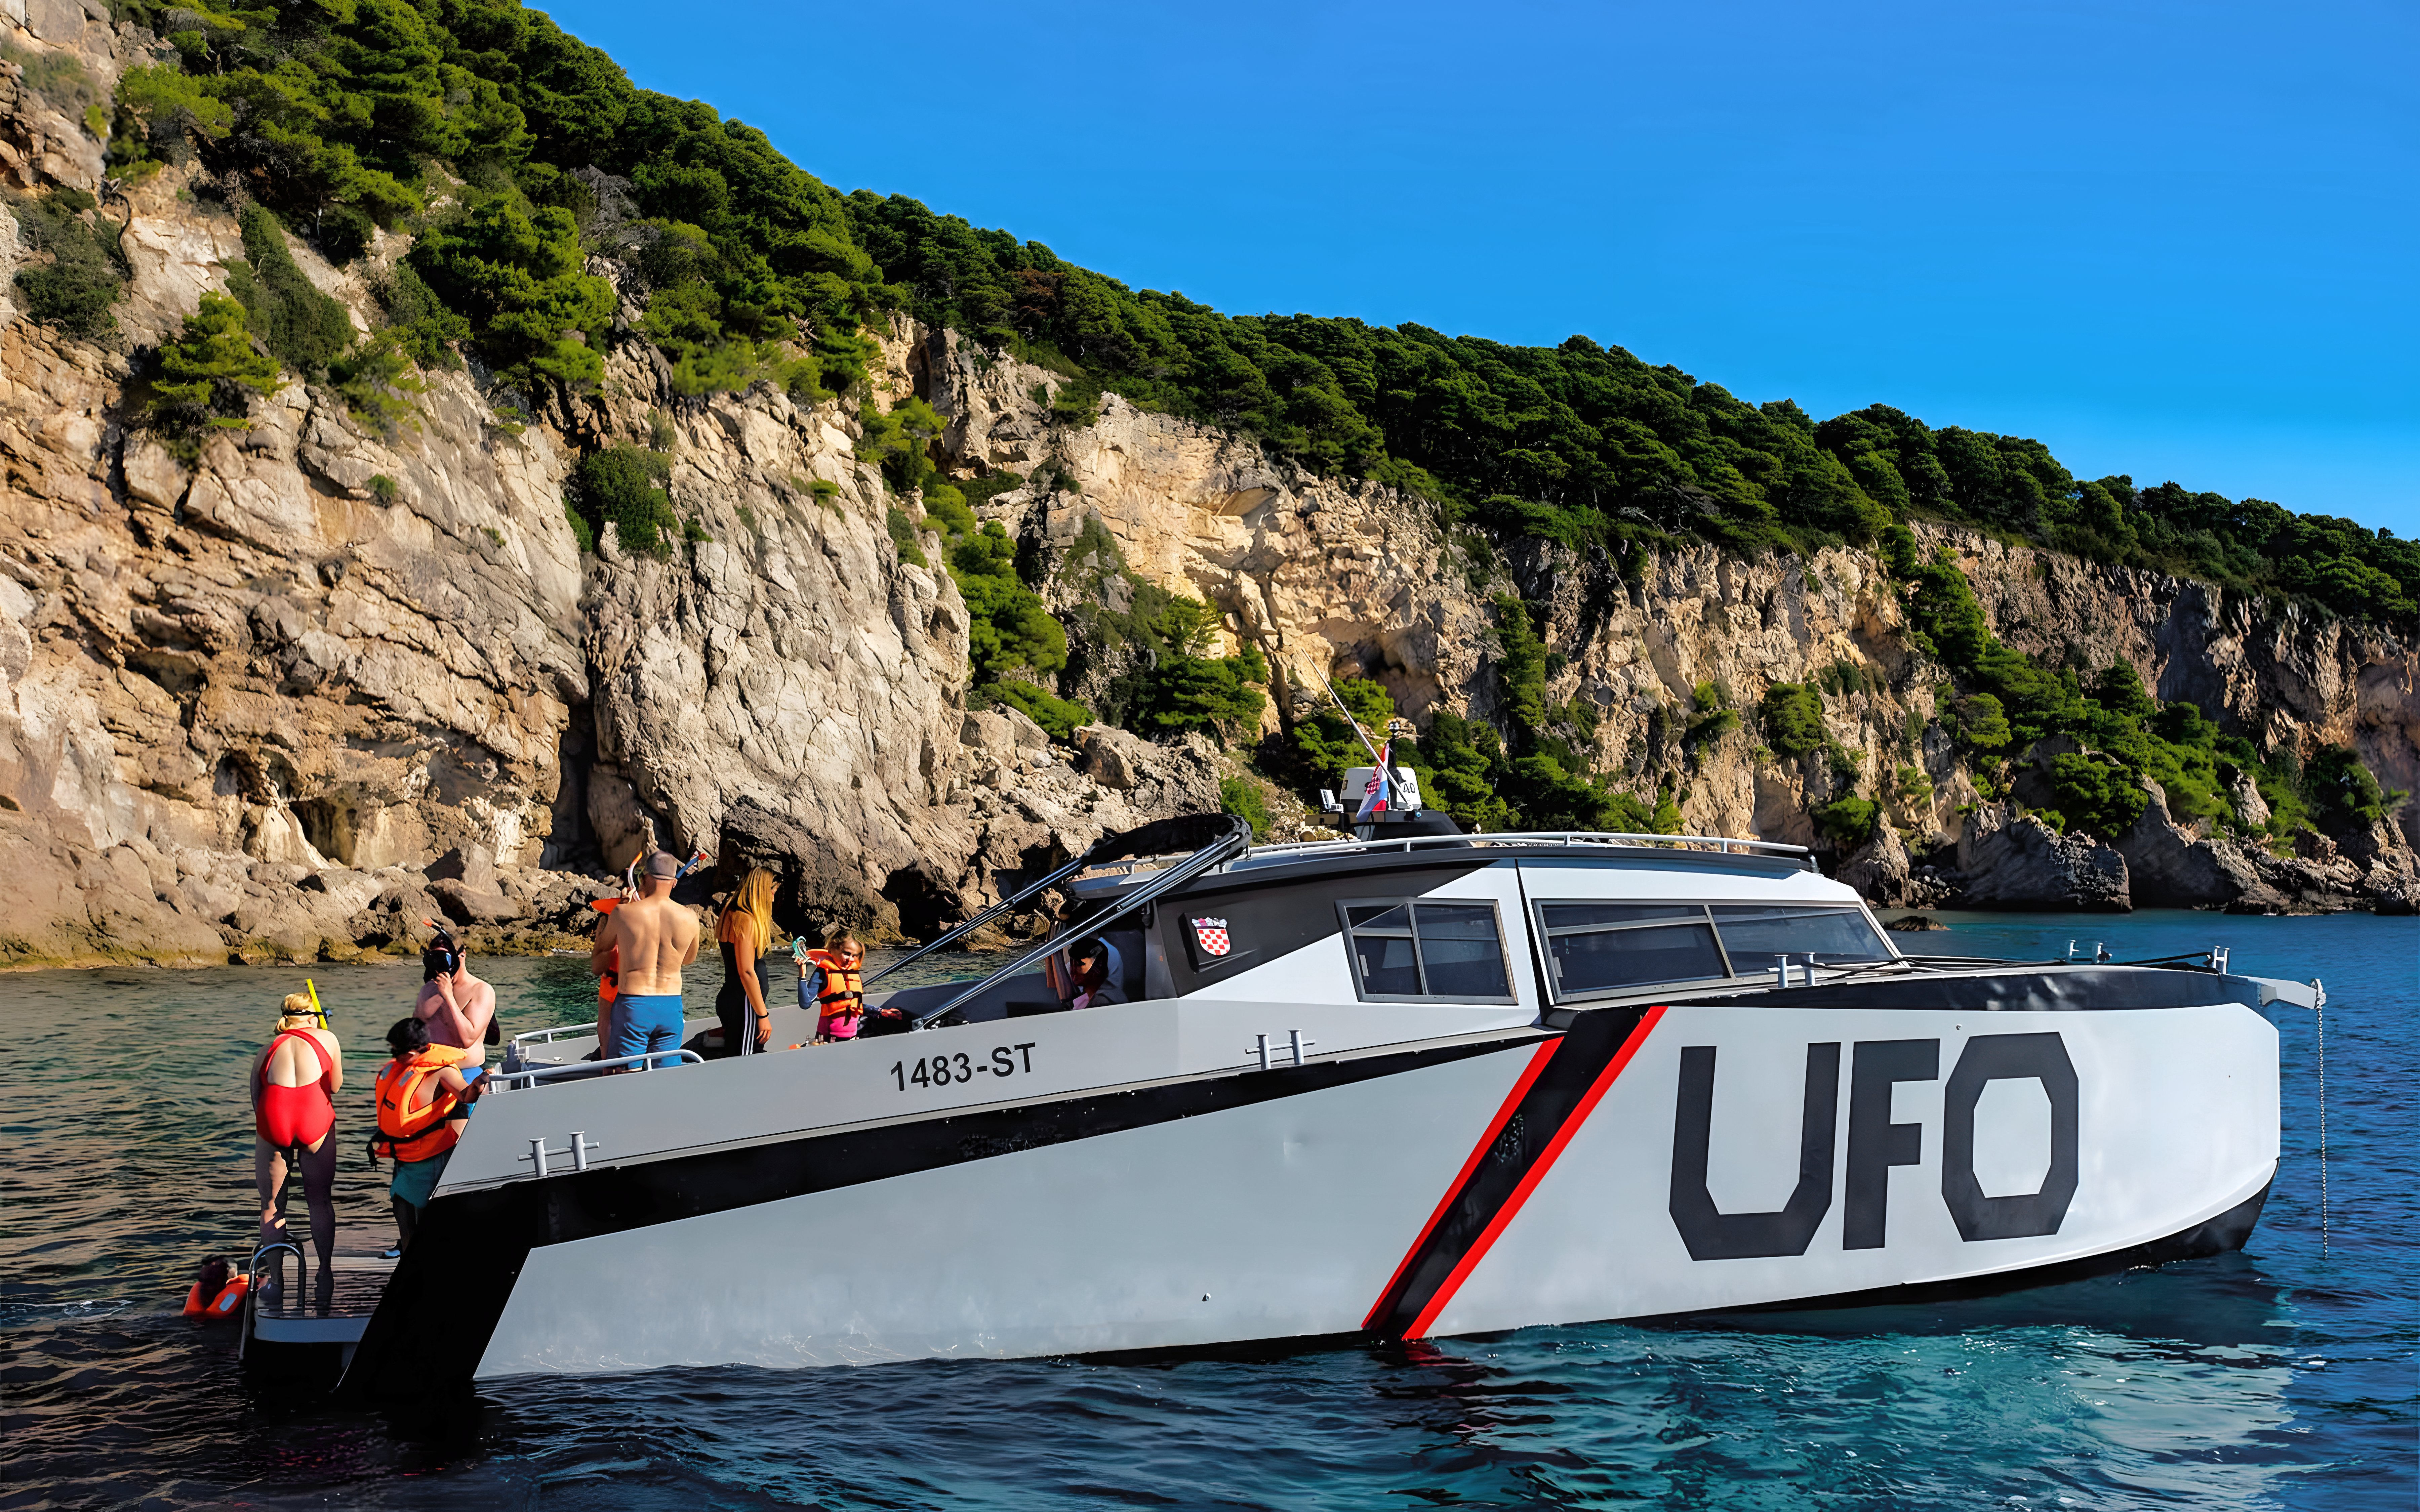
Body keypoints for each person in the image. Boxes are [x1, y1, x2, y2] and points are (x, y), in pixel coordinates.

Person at [370, 1017, 487, 1251]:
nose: (395, 1057)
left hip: (428, 1155)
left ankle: (426, 1263)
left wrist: (480, 1083)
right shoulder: (404, 1068)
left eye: (399, 1051)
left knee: (424, 1213)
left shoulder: (441, 1071)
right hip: (404, 1155)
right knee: (401, 1204)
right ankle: (409, 1258)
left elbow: (465, 1096)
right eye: (392, 1051)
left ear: (415, 1052)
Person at [252, 991, 342, 1269]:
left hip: (274, 1122)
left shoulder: (265, 1051)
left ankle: (277, 1282)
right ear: (314, 1018)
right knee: (320, 1202)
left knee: (271, 1205)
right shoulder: (328, 1039)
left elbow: (257, 1101)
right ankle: (324, 1273)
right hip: (314, 1121)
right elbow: (336, 1086)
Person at [591, 850, 701, 1067]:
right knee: (665, 1077)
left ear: (645, 878)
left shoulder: (624, 913)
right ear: (674, 883)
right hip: (671, 1005)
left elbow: (599, 959)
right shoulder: (690, 917)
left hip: (634, 1005)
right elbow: (688, 960)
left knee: (625, 1076)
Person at [714, 868, 781, 1056]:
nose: (773, 899)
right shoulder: (745, 919)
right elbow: (747, 972)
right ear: (761, 890)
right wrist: (762, 1015)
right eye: (772, 893)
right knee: (746, 1058)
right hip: (744, 1005)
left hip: (734, 999)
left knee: (737, 1054)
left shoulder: (730, 911)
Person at [414, 923, 496, 1069]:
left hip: (463, 1071)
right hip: (428, 1068)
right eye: (435, 959)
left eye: (445, 959)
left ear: (461, 955)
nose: (439, 966)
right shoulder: (428, 989)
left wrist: (449, 997)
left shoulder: (481, 990)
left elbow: (468, 1039)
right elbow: (414, 1034)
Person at [798, 926, 868, 1042]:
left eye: (854, 956)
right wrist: (802, 975)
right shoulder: (822, 973)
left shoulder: (853, 973)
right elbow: (805, 1004)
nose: (850, 960)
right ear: (833, 950)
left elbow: (854, 1005)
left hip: (852, 1039)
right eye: (846, 953)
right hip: (828, 1040)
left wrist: (878, 1012)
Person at [1064, 939, 1126, 1009]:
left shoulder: (1101, 1003)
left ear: (1098, 969)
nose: (1073, 969)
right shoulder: (1084, 999)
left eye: (1080, 964)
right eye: (1073, 964)